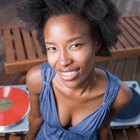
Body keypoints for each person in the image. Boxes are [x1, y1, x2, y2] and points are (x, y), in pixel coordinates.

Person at [16, 0, 132, 140]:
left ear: (96, 43)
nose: (63, 61)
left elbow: (103, 128)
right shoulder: (36, 79)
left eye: (75, 45)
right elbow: (35, 118)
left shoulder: (120, 95)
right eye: (52, 48)